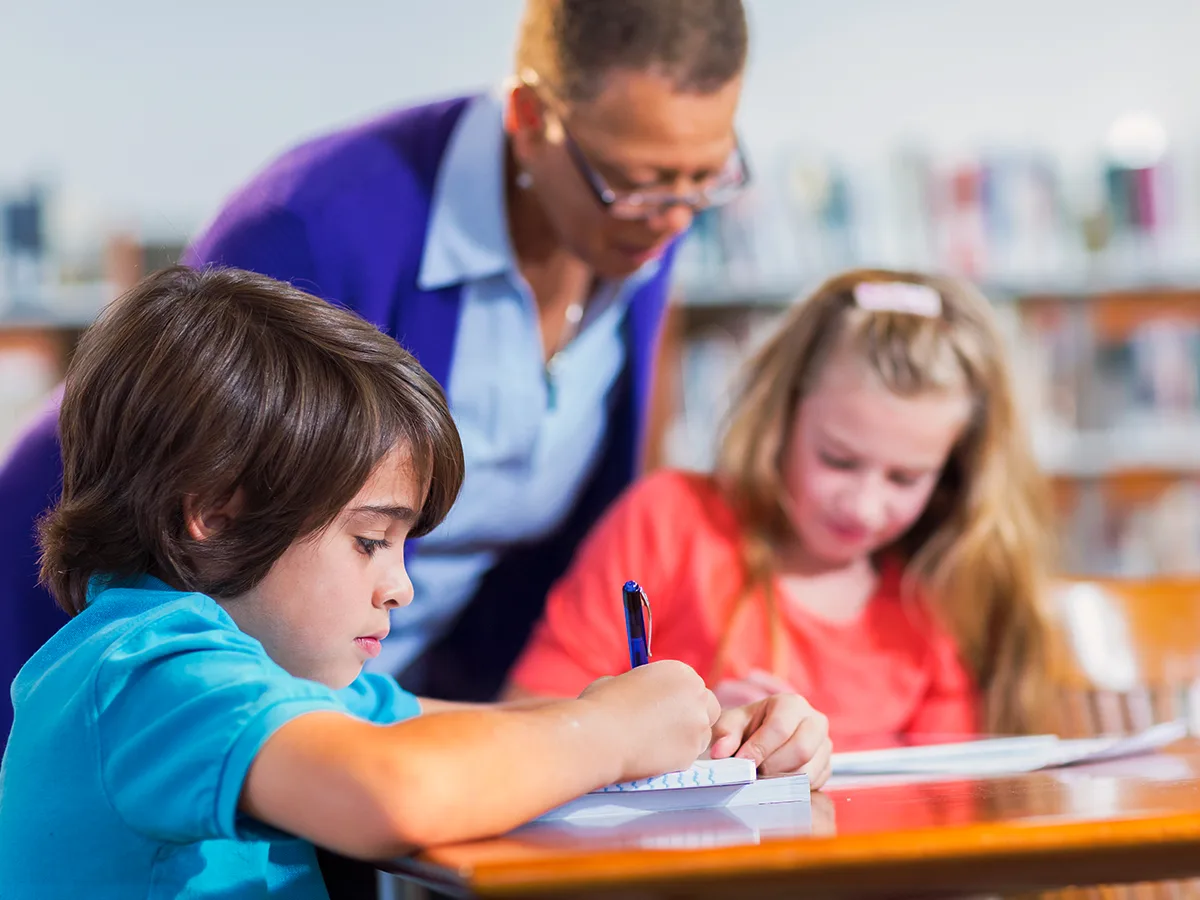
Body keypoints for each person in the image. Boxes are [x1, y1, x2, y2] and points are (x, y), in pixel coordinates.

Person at [0, 0, 752, 745]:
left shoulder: (637, 223)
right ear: (528, 117)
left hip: (368, 693)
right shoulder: (314, 225)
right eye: (637, 180)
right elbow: (198, 535)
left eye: (704, 178)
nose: (674, 218)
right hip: (136, 658)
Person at [0, 266, 831, 899]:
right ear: (214, 513)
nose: (398, 587)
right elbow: (391, 788)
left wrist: (706, 736)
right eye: (369, 542)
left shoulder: (270, 679)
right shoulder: (152, 672)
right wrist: (606, 732)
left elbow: (480, 740)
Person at [506, 269, 1058, 747]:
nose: (865, 507)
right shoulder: (669, 520)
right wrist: (677, 732)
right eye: (838, 460)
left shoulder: (940, 588)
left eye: (905, 478)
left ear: (952, 476)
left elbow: (951, 805)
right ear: (781, 416)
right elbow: (526, 720)